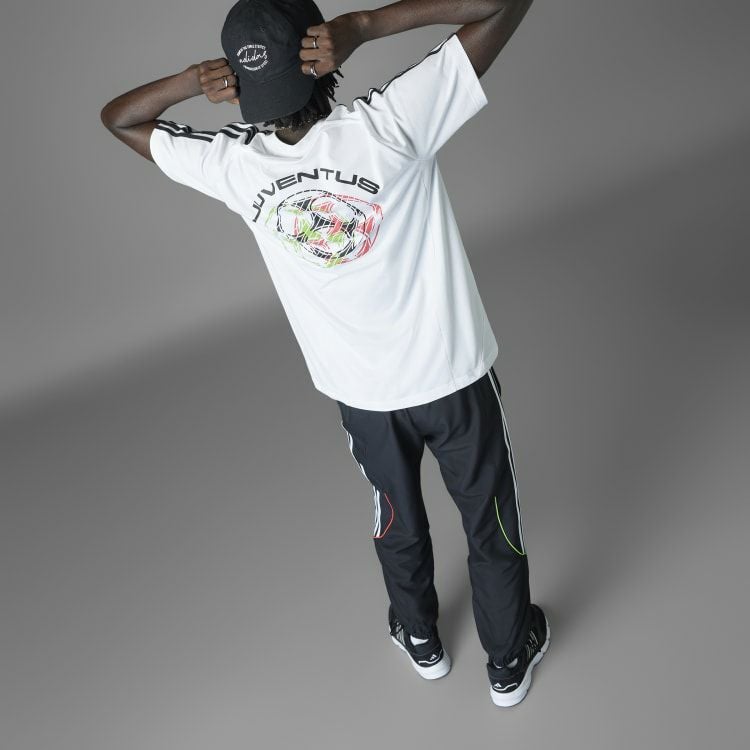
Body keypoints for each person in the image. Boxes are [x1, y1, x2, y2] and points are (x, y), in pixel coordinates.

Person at [101, 0, 546, 707]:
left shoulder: (236, 166)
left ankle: (421, 638)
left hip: (362, 396)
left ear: (239, 86)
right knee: (489, 520)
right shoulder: (391, 122)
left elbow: (120, 118)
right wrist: (364, 27)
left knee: (396, 518)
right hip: (453, 377)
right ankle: (507, 660)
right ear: (322, 58)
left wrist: (191, 81)